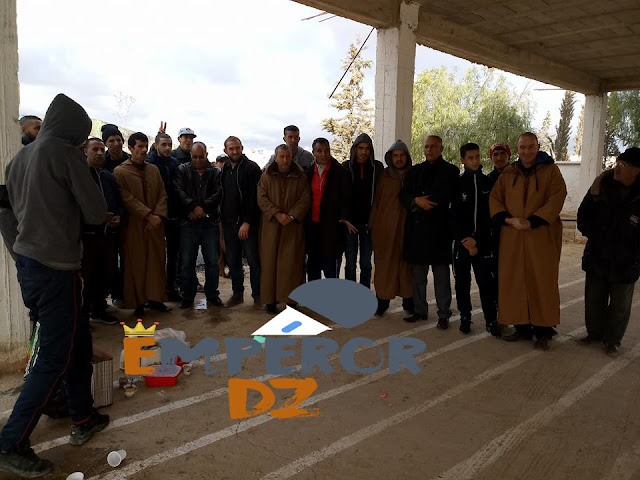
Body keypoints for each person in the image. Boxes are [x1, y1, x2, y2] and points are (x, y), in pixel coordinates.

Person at [0, 94, 110, 478]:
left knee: (77, 341)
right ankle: (11, 443)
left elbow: (8, 215)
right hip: (58, 270)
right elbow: (96, 213)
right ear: (75, 131)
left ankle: (82, 416)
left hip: (31, 265)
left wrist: (23, 253)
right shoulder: (65, 155)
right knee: (53, 358)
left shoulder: (19, 159)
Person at [489, 132, 567, 350]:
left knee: (542, 282)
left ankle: (544, 331)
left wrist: (532, 221)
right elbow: (495, 198)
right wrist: (508, 219)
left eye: (531, 147)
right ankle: (522, 327)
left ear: (537, 147)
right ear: (517, 149)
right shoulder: (509, 173)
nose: (527, 151)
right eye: (522, 147)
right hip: (513, 236)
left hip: (540, 235)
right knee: (515, 281)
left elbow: (557, 198)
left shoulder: (551, 171)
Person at [577, 147, 640, 356]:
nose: (617, 168)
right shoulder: (601, 186)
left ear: (636, 170)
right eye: (617, 162)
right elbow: (583, 215)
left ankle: (612, 340)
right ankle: (594, 333)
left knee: (620, 303)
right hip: (598, 254)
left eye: (624, 165)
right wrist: (595, 236)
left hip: (626, 259)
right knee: (594, 299)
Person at [401, 135, 459, 327]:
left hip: (440, 232)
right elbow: (404, 194)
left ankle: (443, 314)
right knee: (418, 277)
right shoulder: (415, 171)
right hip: (418, 231)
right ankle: (420, 311)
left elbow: (448, 195)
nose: (429, 150)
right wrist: (416, 201)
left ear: (441, 148)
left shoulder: (451, 171)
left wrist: (427, 201)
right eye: (426, 147)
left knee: (441, 277)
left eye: (433, 146)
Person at [114, 132, 170, 317]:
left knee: (156, 261)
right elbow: (127, 198)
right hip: (135, 225)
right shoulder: (120, 172)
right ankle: (138, 302)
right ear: (130, 148)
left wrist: (158, 216)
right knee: (136, 263)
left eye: (146, 146)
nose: (144, 150)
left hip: (156, 225)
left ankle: (156, 299)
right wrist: (147, 215)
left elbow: (162, 193)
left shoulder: (154, 169)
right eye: (139, 146)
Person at [449, 143, 499, 335]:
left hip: (483, 244)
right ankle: (465, 317)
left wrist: (477, 241)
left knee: (486, 283)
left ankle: (491, 320)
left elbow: (491, 216)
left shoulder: (488, 183)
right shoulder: (457, 184)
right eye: (470, 158)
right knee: (462, 283)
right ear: (462, 160)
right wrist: (465, 240)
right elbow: (452, 217)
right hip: (462, 244)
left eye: (477, 156)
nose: (475, 161)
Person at [258, 145, 311, 313]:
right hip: (272, 226)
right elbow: (261, 197)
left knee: (292, 264)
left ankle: (292, 301)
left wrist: (292, 216)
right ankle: (270, 300)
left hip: (292, 227)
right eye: (281, 156)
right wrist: (276, 213)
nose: (285, 160)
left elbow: (305, 198)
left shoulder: (300, 176)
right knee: (270, 263)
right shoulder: (266, 175)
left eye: (287, 156)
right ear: (275, 157)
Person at [174, 142, 223, 309]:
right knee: (187, 262)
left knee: (212, 262)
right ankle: (187, 297)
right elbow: (179, 191)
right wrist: (194, 207)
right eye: (194, 157)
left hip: (209, 223)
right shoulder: (182, 170)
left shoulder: (215, 172)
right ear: (190, 156)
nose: (198, 160)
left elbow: (218, 192)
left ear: (206, 155)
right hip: (189, 223)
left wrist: (202, 208)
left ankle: (212, 295)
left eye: (201, 157)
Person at [369, 139, 414, 317]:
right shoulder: (383, 177)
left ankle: (409, 302)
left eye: (402, 155)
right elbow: (376, 202)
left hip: (408, 229)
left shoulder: (414, 175)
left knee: (407, 267)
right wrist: (373, 225)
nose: (399, 158)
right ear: (390, 158)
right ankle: (382, 302)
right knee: (384, 266)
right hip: (385, 229)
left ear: (407, 157)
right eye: (395, 155)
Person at [82, 138, 122, 325]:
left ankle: (99, 309)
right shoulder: (80, 176)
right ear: (85, 151)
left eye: (101, 150)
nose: (99, 153)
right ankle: (83, 317)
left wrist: (118, 217)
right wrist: (97, 217)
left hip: (108, 234)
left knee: (105, 273)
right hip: (87, 235)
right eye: (95, 149)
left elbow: (118, 201)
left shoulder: (108, 177)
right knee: (87, 277)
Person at [220, 136, 263, 308]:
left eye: (237, 148)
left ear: (242, 148)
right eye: (231, 149)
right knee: (233, 261)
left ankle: (258, 296)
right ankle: (237, 294)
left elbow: (255, 198)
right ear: (226, 151)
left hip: (247, 225)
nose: (235, 151)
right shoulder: (225, 168)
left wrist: (247, 222)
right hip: (229, 223)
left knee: (253, 261)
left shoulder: (252, 168)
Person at [305, 138, 353, 280]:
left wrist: (343, 217)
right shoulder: (307, 173)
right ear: (313, 153)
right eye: (319, 151)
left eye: (326, 150)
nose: (323, 154)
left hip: (331, 227)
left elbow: (346, 197)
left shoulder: (340, 172)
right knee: (312, 267)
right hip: (312, 226)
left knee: (330, 267)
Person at [342, 133, 383, 288]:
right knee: (350, 263)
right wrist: (344, 218)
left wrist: (376, 218)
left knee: (366, 263)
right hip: (350, 223)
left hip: (369, 223)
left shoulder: (377, 168)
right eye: (361, 148)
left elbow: (381, 195)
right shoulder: (345, 167)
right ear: (355, 149)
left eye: (367, 148)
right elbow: (339, 194)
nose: (364, 152)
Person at [148, 133, 182, 301]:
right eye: (163, 144)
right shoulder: (149, 164)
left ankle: (171, 288)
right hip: (156, 215)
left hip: (174, 215)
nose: (167, 148)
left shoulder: (175, 163)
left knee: (173, 255)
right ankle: (155, 291)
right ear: (156, 146)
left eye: (169, 144)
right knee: (156, 255)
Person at [101, 123, 129, 308]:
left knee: (127, 258)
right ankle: (114, 293)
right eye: (111, 140)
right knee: (109, 261)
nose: (116, 144)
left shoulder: (129, 161)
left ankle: (127, 293)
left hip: (126, 217)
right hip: (106, 220)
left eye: (118, 140)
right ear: (106, 143)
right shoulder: (100, 163)